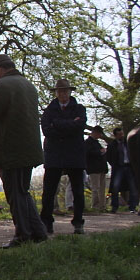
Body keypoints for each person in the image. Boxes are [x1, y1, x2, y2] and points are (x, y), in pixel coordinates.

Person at [0, 55, 48, 247]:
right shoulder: (28, 85)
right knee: (22, 191)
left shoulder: (3, 86)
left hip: (10, 148)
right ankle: (38, 232)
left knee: (15, 193)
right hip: (28, 148)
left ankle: (22, 234)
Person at [40, 79, 87, 234]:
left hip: (74, 153)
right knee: (49, 191)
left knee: (78, 191)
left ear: (70, 92)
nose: (63, 94)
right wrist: (69, 124)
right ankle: (46, 222)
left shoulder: (79, 109)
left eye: (65, 91)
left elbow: (80, 126)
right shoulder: (49, 111)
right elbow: (47, 130)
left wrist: (57, 124)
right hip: (54, 154)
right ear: (56, 93)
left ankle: (78, 222)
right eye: (60, 91)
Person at [106, 127, 139, 213]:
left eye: (122, 134)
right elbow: (109, 157)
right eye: (119, 134)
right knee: (115, 187)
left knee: (132, 187)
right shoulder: (112, 145)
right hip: (118, 167)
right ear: (115, 135)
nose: (121, 136)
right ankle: (114, 206)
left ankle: (132, 206)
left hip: (129, 166)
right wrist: (114, 164)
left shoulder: (128, 143)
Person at [85, 125, 109, 211]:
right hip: (94, 168)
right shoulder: (87, 142)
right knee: (96, 188)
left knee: (102, 188)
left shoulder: (97, 142)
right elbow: (88, 154)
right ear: (95, 133)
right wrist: (99, 152)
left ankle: (102, 206)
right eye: (99, 134)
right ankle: (95, 206)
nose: (100, 136)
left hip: (101, 168)